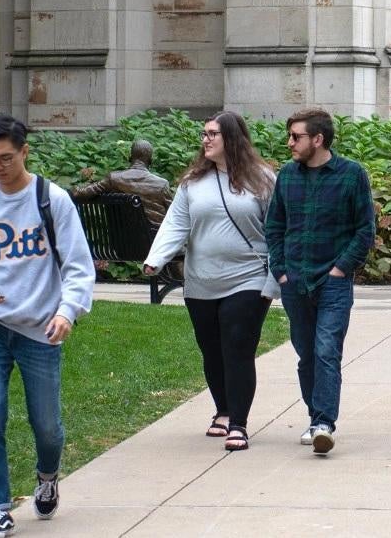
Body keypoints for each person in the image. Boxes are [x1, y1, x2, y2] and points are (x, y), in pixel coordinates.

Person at [0, 114, 97, 537]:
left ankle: (48, 477)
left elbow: (79, 267)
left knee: (46, 424)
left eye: (5, 158)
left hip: (41, 330)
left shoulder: (53, 200)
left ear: (24, 151)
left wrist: (67, 312)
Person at [143, 111, 278, 452]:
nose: (205, 139)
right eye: (204, 134)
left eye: (212, 134)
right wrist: (155, 259)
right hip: (201, 279)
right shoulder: (192, 182)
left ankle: (239, 424)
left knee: (237, 346)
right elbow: (176, 223)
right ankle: (222, 409)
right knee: (211, 349)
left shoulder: (262, 179)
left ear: (231, 138)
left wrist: (276, 277)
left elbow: (278, 230)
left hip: (247, 277)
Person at [264, 107, 375, 456]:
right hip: (295, 279)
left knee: (327, 350)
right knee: (306, 354)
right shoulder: (287, 176)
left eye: (296, 137)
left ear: (318, 139)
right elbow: (274, 227)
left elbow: (364, 231)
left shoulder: (352, 175)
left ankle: (324, 423)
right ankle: (316, 418)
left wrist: (341, 269)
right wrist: (281, 271)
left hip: (333, 282)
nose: (290, 143)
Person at [71, 139, 173, 227]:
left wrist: (74, 188)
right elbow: (176, 215)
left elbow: (80, 193)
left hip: (122, 242)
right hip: (156, 243)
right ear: (151, 160)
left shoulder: (114, 179)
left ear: (130, 157)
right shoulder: (161, 185)